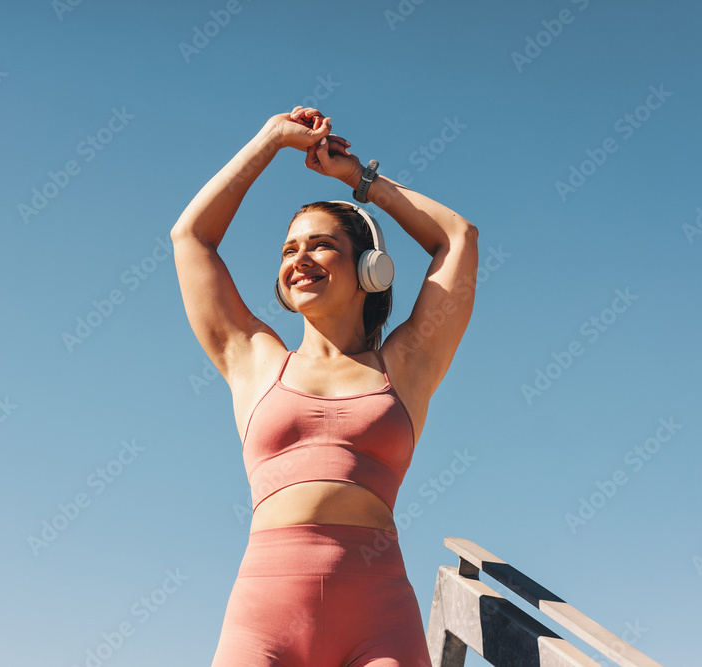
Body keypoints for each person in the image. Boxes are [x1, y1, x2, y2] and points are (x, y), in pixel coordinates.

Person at [170, 106, 478, 666]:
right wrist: (269, 141)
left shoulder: (405, 366)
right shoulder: (255, 360)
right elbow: (191, 238)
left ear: (371, 269)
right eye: (289, 249)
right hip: (265, 614)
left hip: (379, 618)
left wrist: (360, 181)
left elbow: (457, 238)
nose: (299, 259)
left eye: (320, 245)